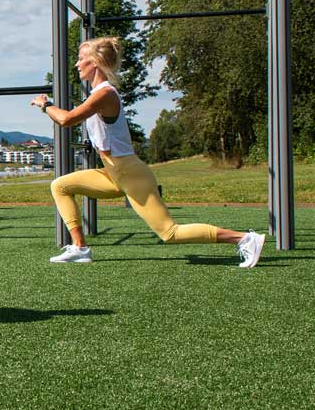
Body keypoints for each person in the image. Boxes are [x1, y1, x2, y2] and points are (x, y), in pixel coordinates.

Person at [31, 36, 265, 268]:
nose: (77, 64)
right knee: (60, 185)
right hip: (113, 173)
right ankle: (80, 248)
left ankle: (245, 239)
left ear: (95, 63)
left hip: (130, 173)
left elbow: (67, 119)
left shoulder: (105, 93)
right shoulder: (97, 94)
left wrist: (46, 104)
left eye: (81, 59)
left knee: (169, 232)